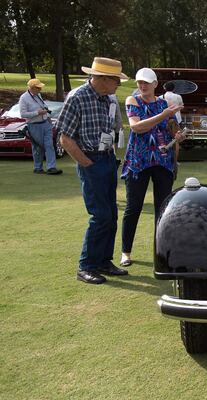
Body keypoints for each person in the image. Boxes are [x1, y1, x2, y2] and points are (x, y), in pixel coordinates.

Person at [56, 57, 130, 284]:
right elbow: (65, 137)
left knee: (111, 214)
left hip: (107, 159)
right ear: (103, 79)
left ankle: (104, 261)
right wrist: (86, 162)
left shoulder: (108, 98)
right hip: (92, 161)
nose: (118, 84)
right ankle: (86, 265)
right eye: (116, 79)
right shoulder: (77, 97)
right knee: (100, 215)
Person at [120, 67, 184, 267]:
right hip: (138, 162)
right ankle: (126, 252)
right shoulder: (133, 101)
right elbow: (137, 126)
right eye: (139, 82)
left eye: (146, 82)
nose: (142, 85)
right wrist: (163, 114)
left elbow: (172, 128)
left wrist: (178, 135)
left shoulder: (164, 103)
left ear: (155, 84)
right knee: (133, 208)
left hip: (162, 161)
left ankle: (162, 252)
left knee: (163, 209)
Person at [18, 78, 63, 175]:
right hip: (34, 125)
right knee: (38, 147)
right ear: (32, 88)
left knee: (49, 145)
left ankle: (51, 167)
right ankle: (38, 167)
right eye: (38, 88)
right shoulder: (23, 98)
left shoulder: (38, 95)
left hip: (45, 123)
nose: (40, 89)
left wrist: (48, 117)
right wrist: (37, 113)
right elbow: (23, 114)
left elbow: (44, 106)